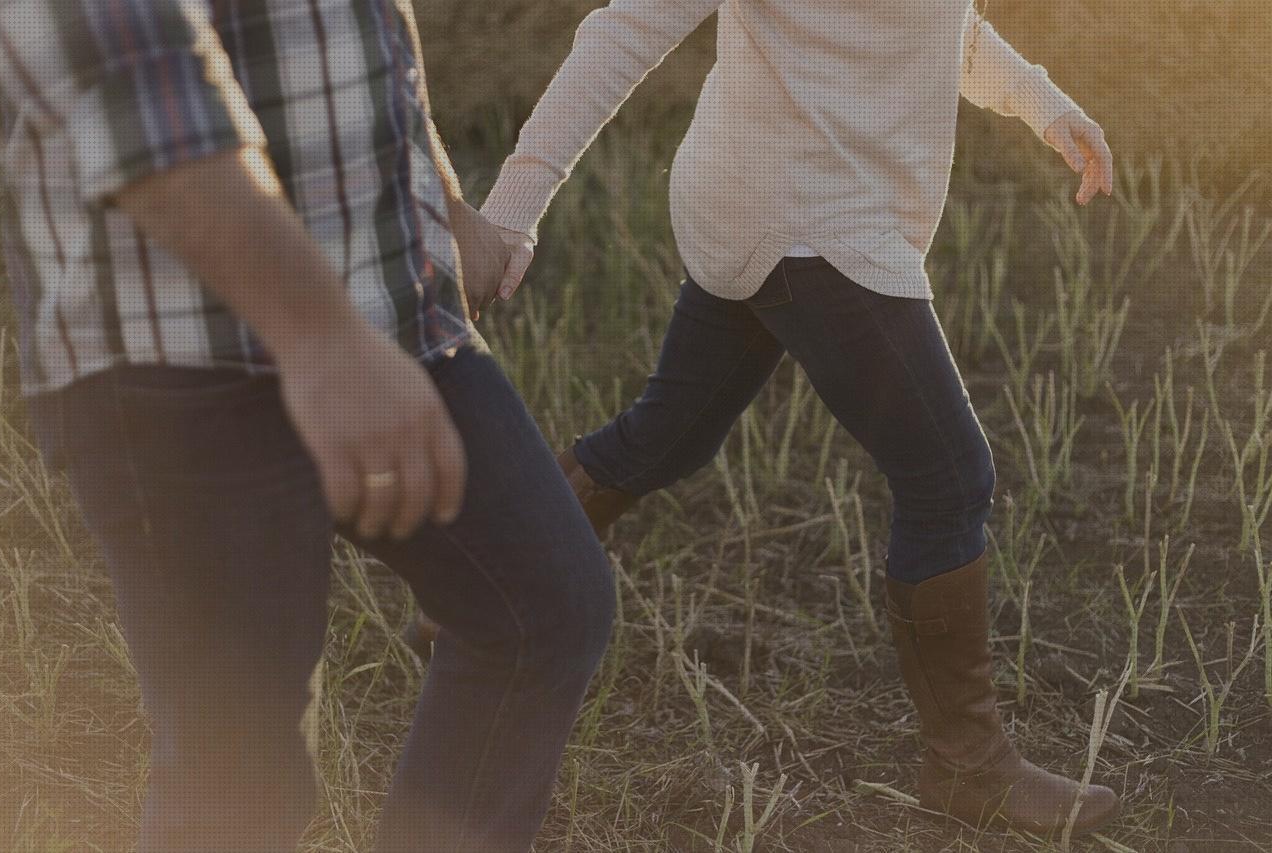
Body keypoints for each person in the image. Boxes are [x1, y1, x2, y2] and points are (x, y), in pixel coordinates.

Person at [473, 0, 1120, 838]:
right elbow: (627, 29)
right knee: (950, 477)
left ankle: (484, 591)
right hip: (811, 219)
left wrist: (1047, 105)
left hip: (761, 195)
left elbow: (941, 27)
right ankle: (968, 764)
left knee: (670, 435)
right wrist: (508, 214)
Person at [0, 1, 609, 851]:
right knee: (240, 775)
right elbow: (138, 98)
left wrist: (440, 191)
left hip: (385, 309)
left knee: (543, 605)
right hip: (179, 353)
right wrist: (321, 339)